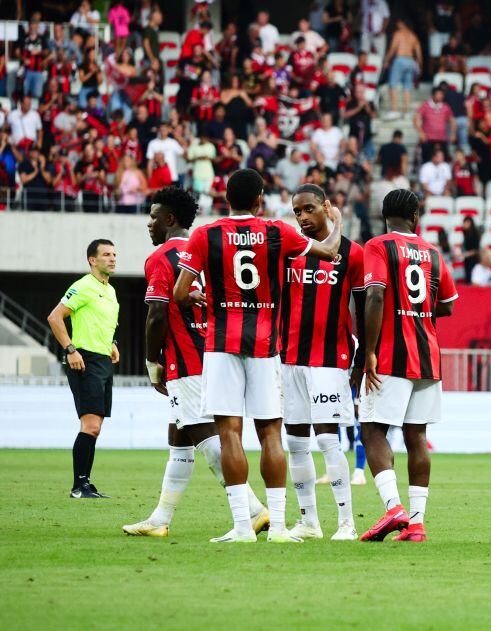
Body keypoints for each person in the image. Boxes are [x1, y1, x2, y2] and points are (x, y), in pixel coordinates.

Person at [172, 169, 345, 543]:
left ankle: (241, 527)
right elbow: (331, 251)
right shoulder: (278, 231)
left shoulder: (204, 235)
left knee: (229, 432)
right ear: (259, 200)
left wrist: (202, 298)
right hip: (266, 345)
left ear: (226, 199)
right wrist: (338, 221)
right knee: (270, 434)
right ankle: (279, 527)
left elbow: (180, 293)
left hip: (222, 344)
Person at [123, 188, 269, 537]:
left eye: (154, 217)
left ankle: (253, 510)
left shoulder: (161, 257)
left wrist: (151, 361)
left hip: (186, 361)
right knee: (180, 438)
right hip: (217, 353)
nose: (149, 224)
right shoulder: (207, 249)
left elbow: (157, 314)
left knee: (208, 438)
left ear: (170, 219)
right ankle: (160, 519)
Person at [359, 189, 459, 543]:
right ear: (416, 217)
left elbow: (375, 294)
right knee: (416, 437)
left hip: (391, 355)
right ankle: (416, 524)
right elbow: (448, 304)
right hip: (428, 356)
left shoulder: (378, 246)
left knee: (372, 431)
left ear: (385, 216)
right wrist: (418, 311)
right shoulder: (432, 252)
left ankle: (393, 508)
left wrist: (369, 351)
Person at [282, 184, 365, 541]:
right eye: (297, 211)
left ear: (326, 207)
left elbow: (363, 308)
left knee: (329, 439)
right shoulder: (288, 250)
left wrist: (362, 358)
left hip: (330, 360)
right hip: (289, 359)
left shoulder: (352, 253)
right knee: (296, 443)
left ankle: (347, 522)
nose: (302, 217)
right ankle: (309, 522)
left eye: (309, 209)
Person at [47, 240, 120, 499]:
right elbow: (55, 317)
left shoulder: (110, 291)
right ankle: (79, 487)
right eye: (106, 254)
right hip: (84, 359)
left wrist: (112, 343)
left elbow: (102, 322)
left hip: (103, 361)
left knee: (95, 427)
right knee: (90, 425)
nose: (112, 258)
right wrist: (70, 350)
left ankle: (85, 484)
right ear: (92, 260)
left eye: (114, 254)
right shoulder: (82, 286)